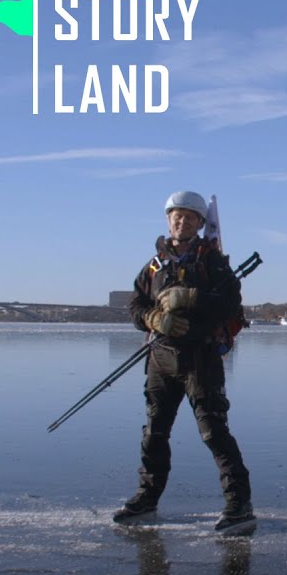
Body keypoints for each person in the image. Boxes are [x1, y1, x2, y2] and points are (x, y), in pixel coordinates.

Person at [114, 191, 255, 532]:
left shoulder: (213, 262)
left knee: (214, 432)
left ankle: (239, 504)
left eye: (189, 217)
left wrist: (192, 297)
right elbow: (135, 306)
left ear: (200, 223)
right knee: (155, 433)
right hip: (160, 360)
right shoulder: (154, 265)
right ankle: (146, 498)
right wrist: (153, 319)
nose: (182, 221)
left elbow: (230, 305)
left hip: (200, 358)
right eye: (176, 216)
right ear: (168, 220)